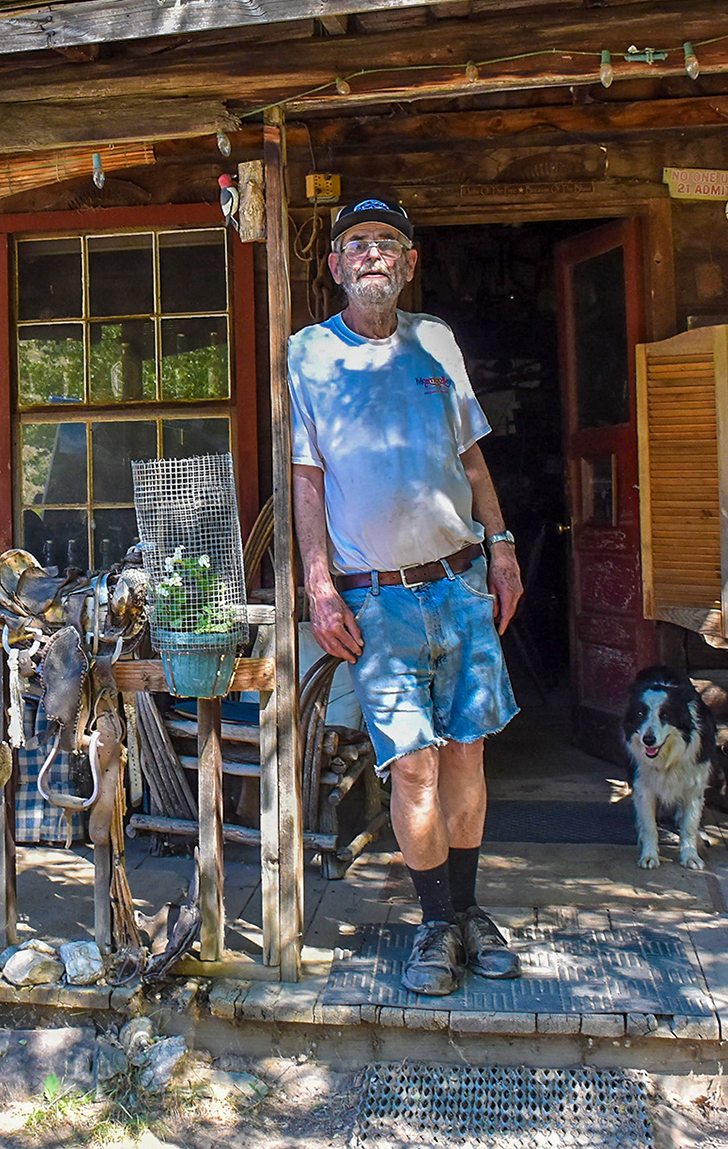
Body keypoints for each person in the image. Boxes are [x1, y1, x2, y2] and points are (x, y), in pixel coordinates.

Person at [289, 194, 524, 997]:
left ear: (410, 261)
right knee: (414, 769)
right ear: (335, 265)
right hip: (378, 600)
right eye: (356, 244)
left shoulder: (437, 344)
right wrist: (319, 585)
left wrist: (504, 548)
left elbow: (475, 458)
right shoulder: (309, 353)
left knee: (467, 755)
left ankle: (464, 913)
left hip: (460, 584)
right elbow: (307, 479)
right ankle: (434, 923)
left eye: (387, 242)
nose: (372, 255)